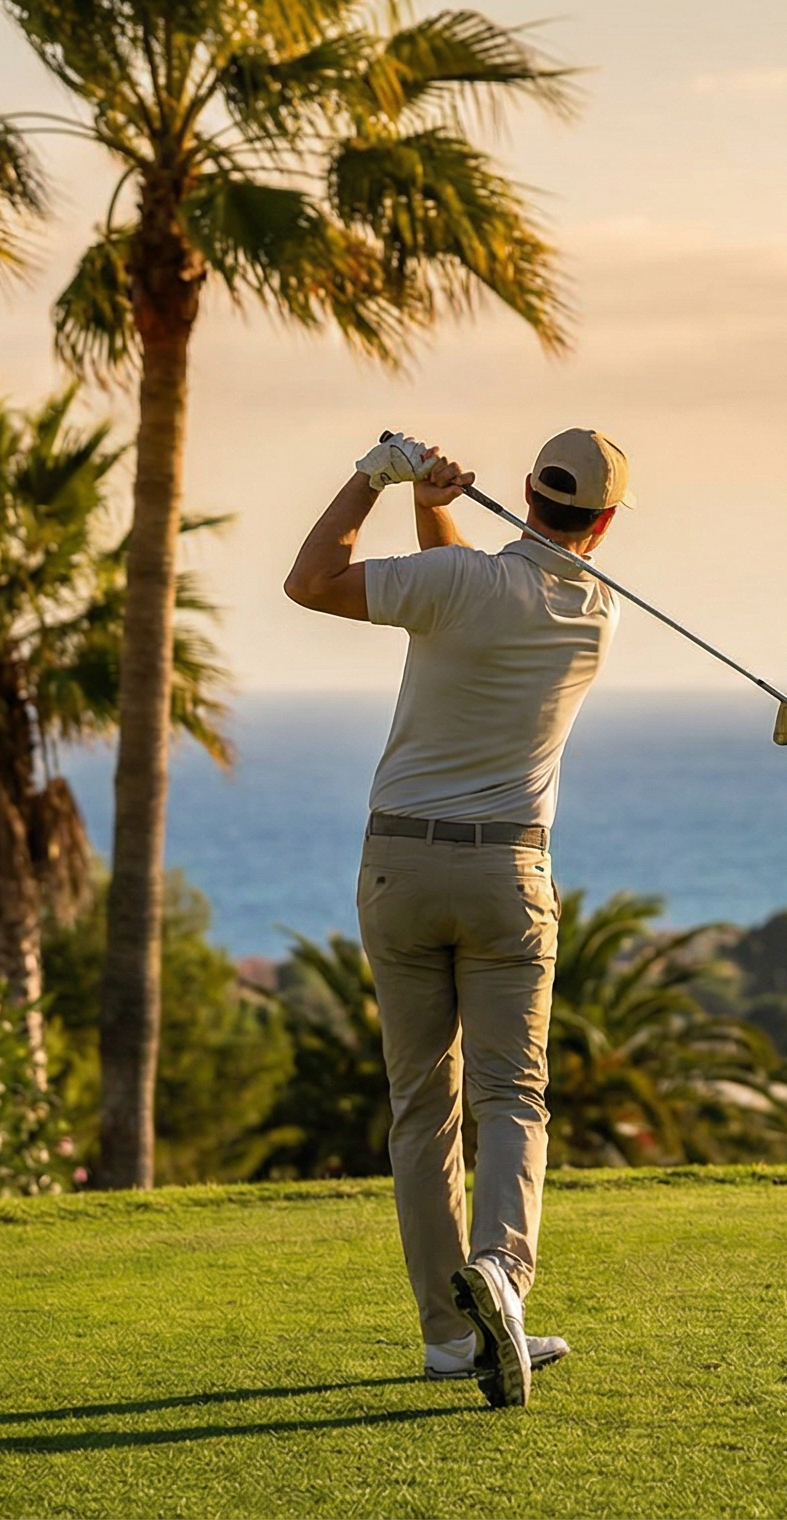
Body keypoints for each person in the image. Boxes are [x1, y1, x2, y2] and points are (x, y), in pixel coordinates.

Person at [282, 427, 632, 1409]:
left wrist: (374, 479)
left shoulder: (462, 589)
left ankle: (446, 1335)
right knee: (511, 1096)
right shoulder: (594, 613)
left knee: (422, 1107)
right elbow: (465, 581)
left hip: (398, 864)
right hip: (506, 878)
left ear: (526, 492)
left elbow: (313, 581)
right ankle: (503, 1280)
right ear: (602, 522)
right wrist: (428, 499)